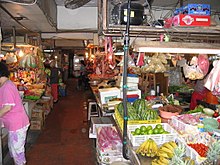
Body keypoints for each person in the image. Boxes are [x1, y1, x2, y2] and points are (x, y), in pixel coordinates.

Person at [0, 62, 30, 165]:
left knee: (17, 152)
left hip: (17, 124)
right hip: (15, 124)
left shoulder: (6, 87)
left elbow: (7, 107)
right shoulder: (6, 84)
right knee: (13, 149)